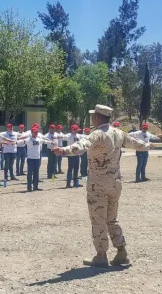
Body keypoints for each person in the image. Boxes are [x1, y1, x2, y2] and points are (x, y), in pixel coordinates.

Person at [53, 104, 153, 267]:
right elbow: (136, 143)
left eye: (94, 116)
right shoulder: (118, 133)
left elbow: (81, 146)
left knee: (98, 219)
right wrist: (148, 146)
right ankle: (121, 252)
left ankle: (101, 255)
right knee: (112, 219)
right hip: (115, 183)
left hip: (98, 185)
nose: (92, 118)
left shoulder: (97, 134)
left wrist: (64, 150)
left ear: (98, 117)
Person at [17, 124, 54, 191]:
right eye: (35, 132)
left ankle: (35, 186)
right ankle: (29, 187)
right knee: (30, 173)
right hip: (30, 159)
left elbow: (45, 141)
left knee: (36, 173)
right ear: (32, 132)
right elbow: (22, 141)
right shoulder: (29, 139)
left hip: (37, 158)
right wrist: (15, 142)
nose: (36, 133)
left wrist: (51, 142)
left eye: (37, 132)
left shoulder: (38, 139)